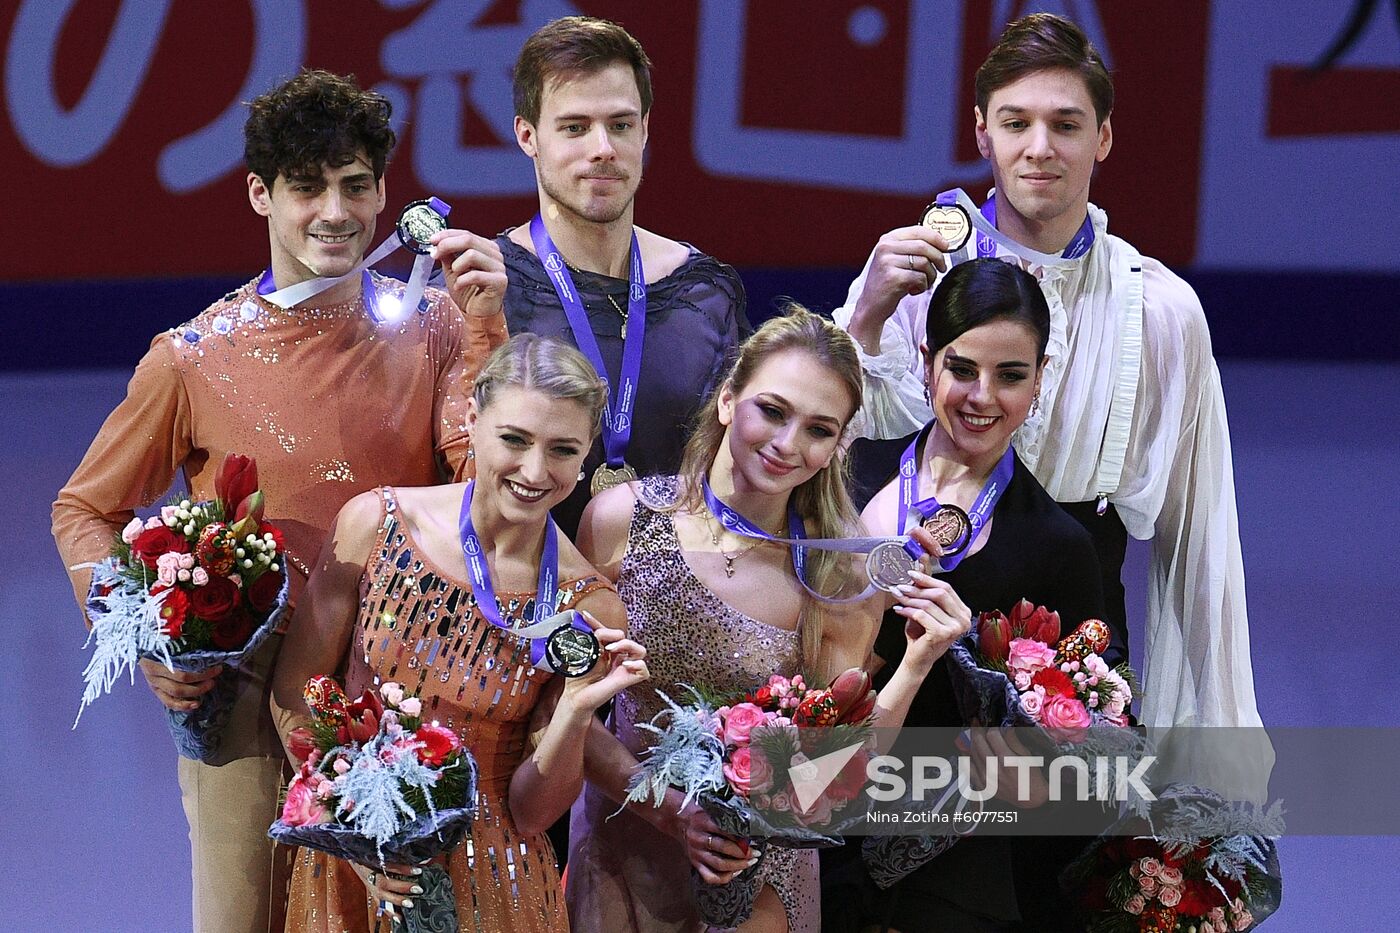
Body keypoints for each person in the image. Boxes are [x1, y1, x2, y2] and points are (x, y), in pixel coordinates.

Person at [51, 69, 507, 933]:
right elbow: (83, 508)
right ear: (261, 194)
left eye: (356, 185)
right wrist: (144, 635)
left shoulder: (438, 323)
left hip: (402, 698)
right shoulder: (190, 357)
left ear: (384, 192)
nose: (336, 211)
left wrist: (488, 330)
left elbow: (487, 498)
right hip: (244, 709)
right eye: (307, 187)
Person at [833, 14, 1267, 790]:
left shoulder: (1159, 311)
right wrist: (864, 318)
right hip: (908, 619)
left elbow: (1200, 541)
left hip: (1076, 637)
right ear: (982, 132)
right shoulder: (914, 271)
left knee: (1058, 855)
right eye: (1016, 123)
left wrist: (1213, 755)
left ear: (1103, 137)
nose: (1040, 147)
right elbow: (831, 441)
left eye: (1065, 124)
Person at [565, 308, 971, 933]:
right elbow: (564, 707)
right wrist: (670, 812)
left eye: (818, 429)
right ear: (728, 399)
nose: (787, 444)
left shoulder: (840, 575)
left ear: (837, 446)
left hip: (757, 881)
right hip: (623, 847)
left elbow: (837, 773)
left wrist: (916, 664)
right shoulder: (619, 518)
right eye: (773, 411)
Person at [272, 334, 649, 932]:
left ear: (586, 458)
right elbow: (296, 689)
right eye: (515, 439)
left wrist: (577, 711)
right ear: (472, 420)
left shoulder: (590, 607)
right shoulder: (377, 523)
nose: (534, 471)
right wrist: (351, 830)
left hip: (496, 879)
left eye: (562, 449)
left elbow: (533, 812)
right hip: (358, 855)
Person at [825, 258, 1108, 932]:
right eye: (961, 368)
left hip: (958, 873)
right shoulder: (843, 476)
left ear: (1040, 379)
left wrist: (1039, 783)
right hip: (820, 833)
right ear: (926, 362)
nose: (982, 396)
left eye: (1010, 375)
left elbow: (1099, 734)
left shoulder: (1058, 544)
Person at [430, 15, 747, 538]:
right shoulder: (479, 288)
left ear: (645, 129)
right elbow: (451, 469)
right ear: (528, 136)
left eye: (620, 125)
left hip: (679, 583)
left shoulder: (706, 292)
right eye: (575, 128)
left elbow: (736, 471)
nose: (603, 148)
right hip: (517, 582)